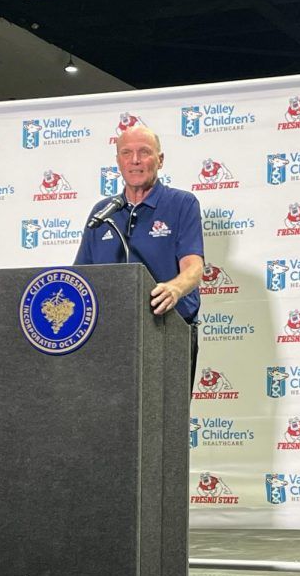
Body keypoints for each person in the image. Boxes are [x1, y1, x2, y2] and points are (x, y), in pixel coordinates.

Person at [74, 124, 204, 383]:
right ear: (118, 162)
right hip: (108, 337)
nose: (135, 160)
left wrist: (175, 289)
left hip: (167, 329)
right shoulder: (102, 213)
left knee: (164, 420)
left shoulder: (182, 204)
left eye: (144, 152)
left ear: (160, 160)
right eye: (126, 153)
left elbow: (194, 268)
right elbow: (81, 276)